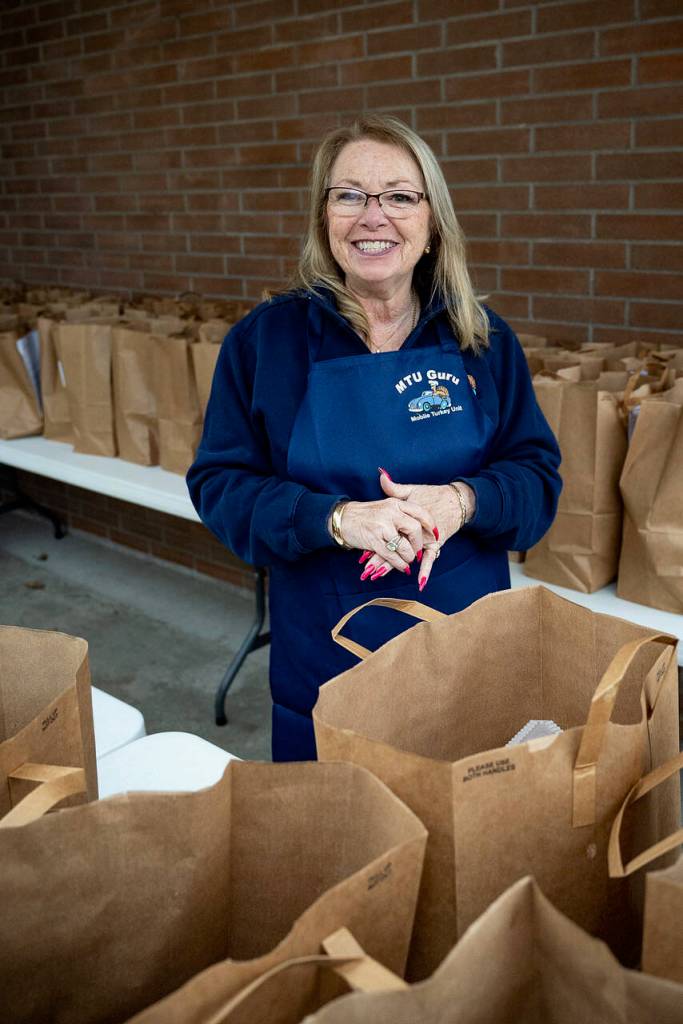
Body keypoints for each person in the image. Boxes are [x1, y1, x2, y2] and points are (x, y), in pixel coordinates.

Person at [187, 114, 562, 761]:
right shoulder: (265, 342)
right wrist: (336, 518)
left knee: (467, 825)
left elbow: (536, 479)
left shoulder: (482, 341)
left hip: (464, 640)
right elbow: (219, 485)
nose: (373, 216)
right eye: (349, 195)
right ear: (323, 216)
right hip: (327, 646)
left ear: (431, 220)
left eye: (398, 195)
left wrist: (461, 502)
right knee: (337, 830)